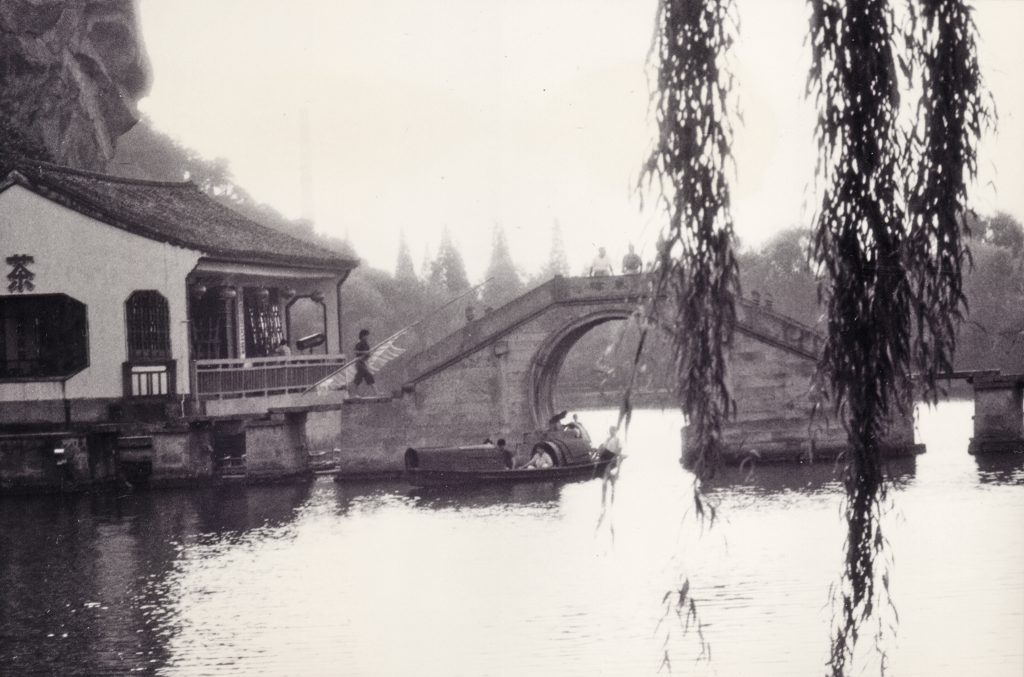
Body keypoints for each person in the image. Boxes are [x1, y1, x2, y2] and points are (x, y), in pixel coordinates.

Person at [351, 328, 378, 397]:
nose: (367, 337)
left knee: (359, 378)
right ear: (362, 336)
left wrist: (368, 355)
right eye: (366, 335)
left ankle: (355, 394)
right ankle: (376, 392)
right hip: (359, 363)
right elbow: (355, 351)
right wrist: (364, 352)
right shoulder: (359, 342)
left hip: (364, 363)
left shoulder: (366, 344)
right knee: (367, 376)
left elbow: (368, 353)